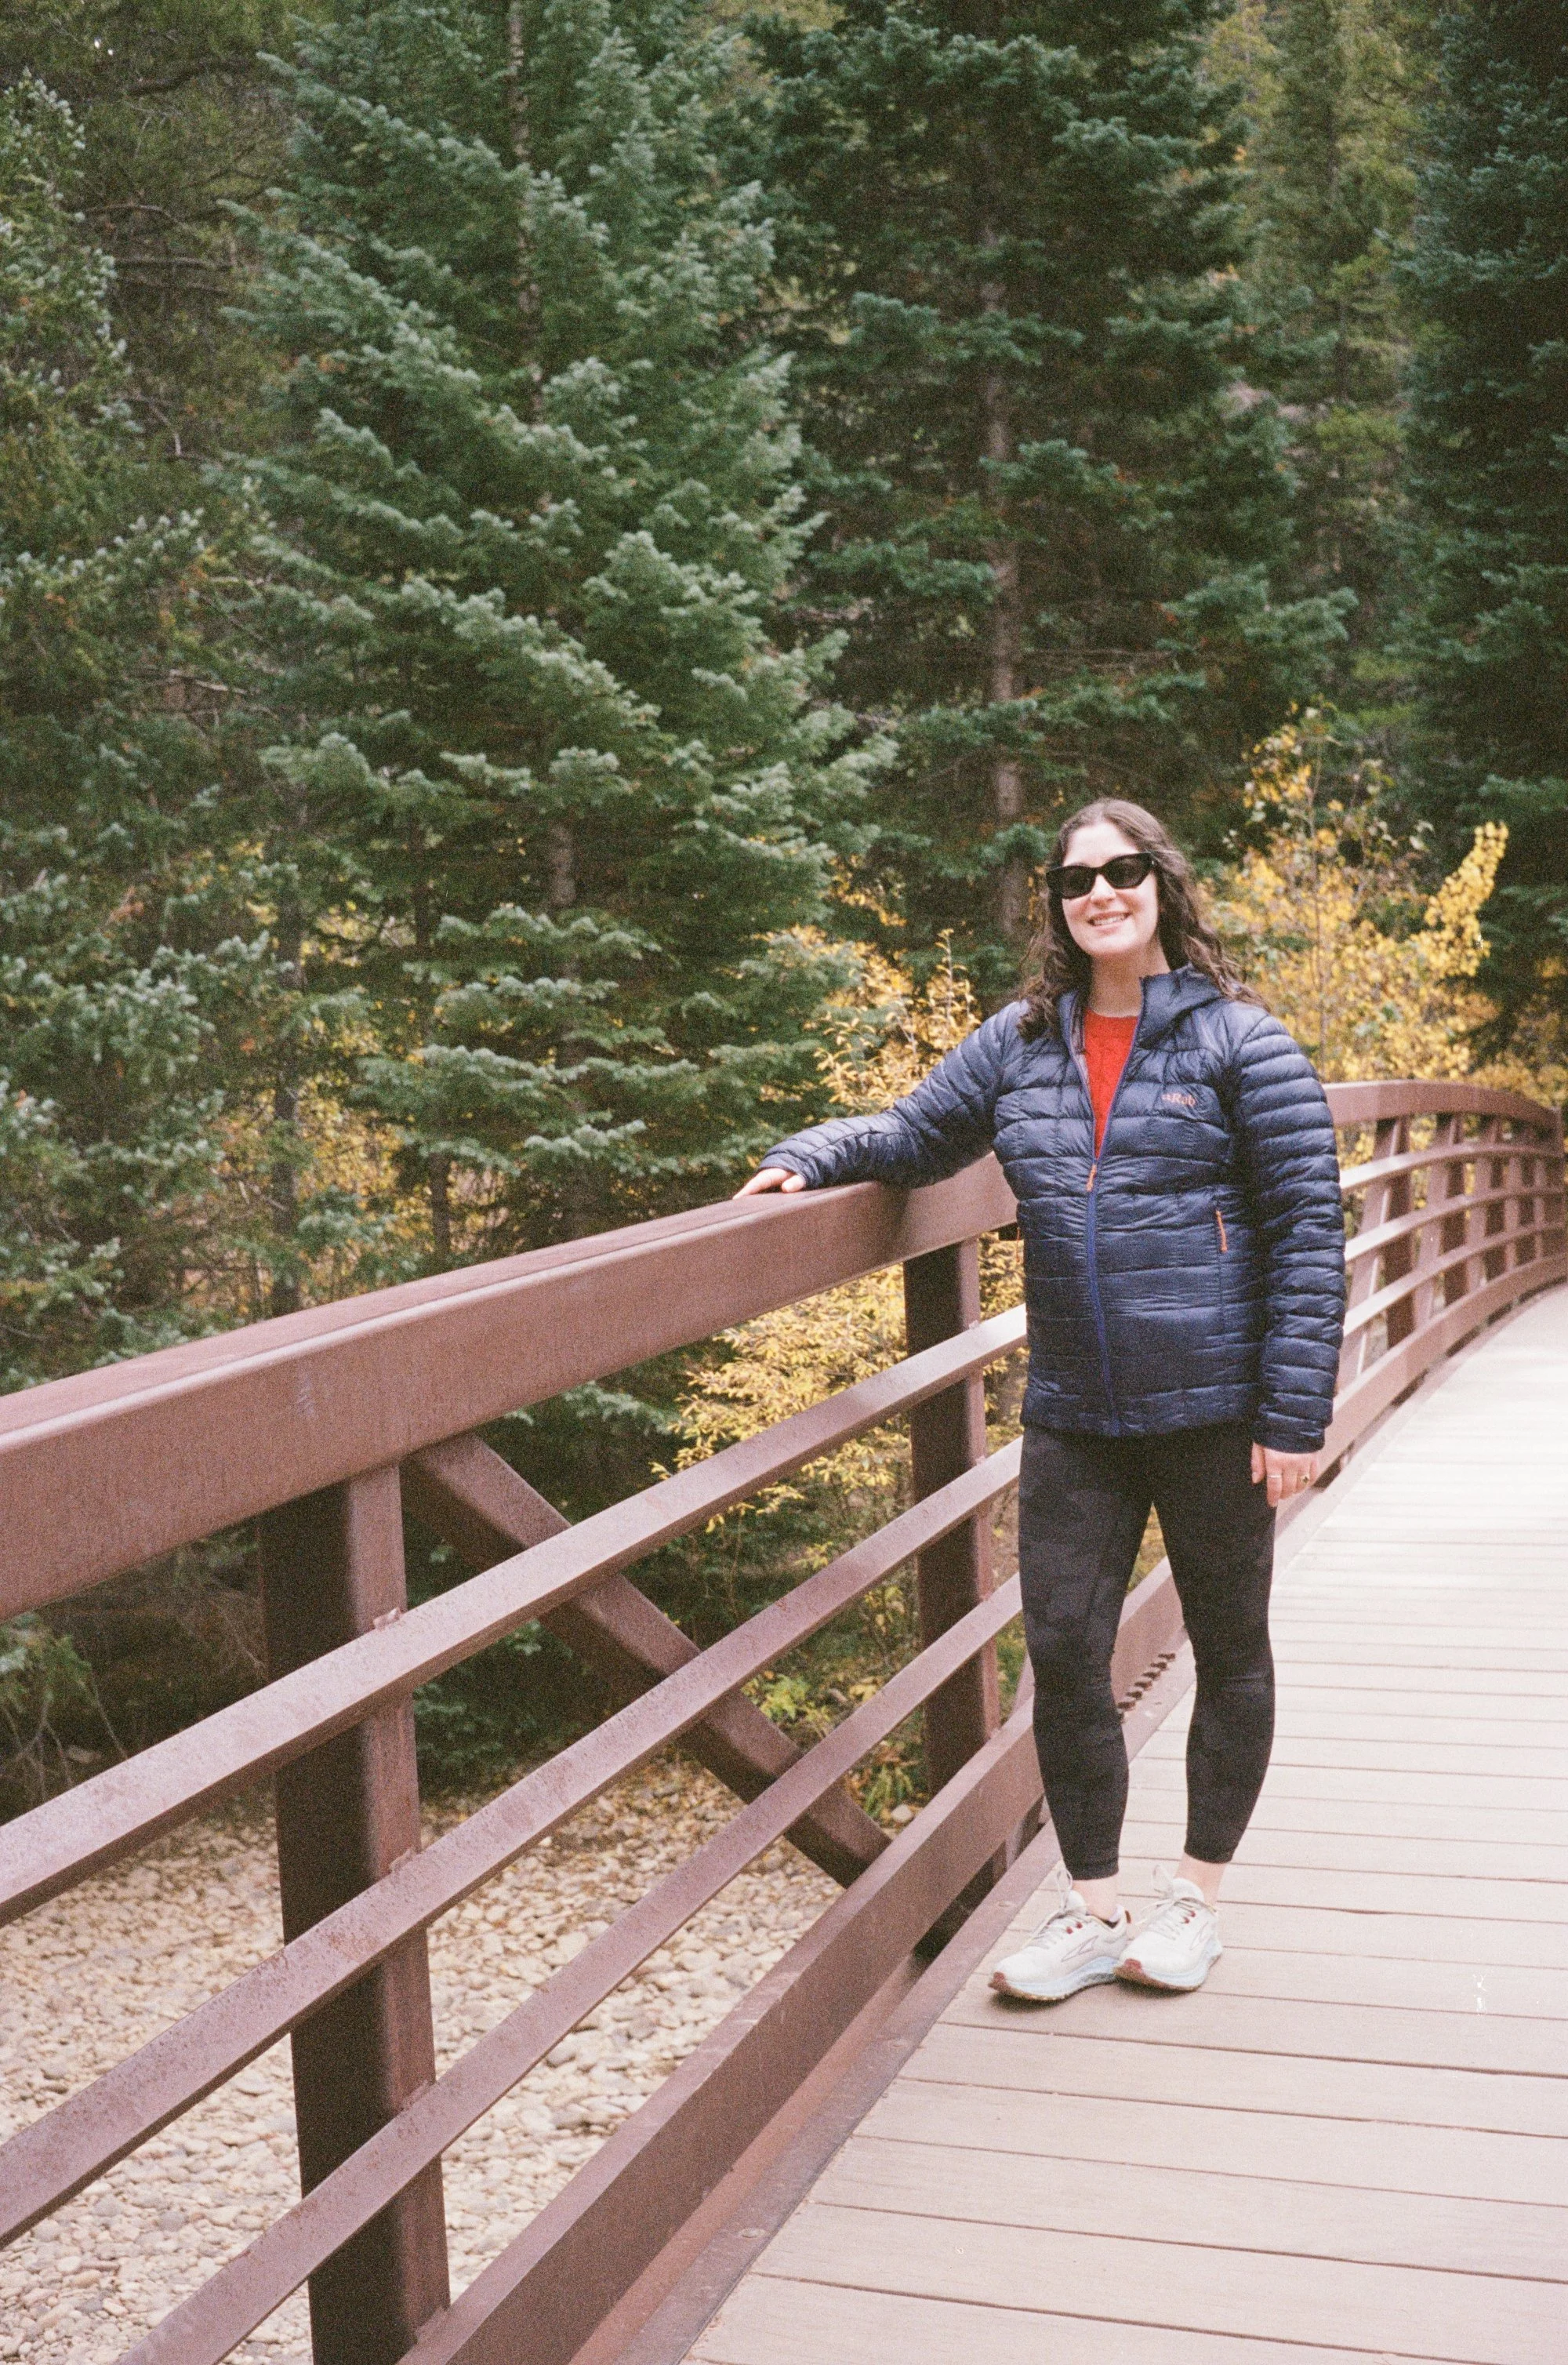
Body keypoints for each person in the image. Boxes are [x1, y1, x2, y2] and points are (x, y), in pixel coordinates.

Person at [736, 800, 1346, 1996]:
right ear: (1058, 907)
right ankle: (1091, 1908)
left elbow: (1310, 1234)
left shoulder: (1243, 1045)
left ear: (1163, 886)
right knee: (1065, 1649)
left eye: (1124, 871)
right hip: (1078, 1411)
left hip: (1220, 1408)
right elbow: (916, 1135)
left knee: (1230, 1649)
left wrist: (1293, 1412)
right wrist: (813, 1154)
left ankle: (1196, 1900)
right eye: (1077, 880)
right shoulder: (1020, 1044)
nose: (1101, 892)